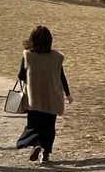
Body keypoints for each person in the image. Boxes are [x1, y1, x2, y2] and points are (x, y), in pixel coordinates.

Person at [14, 24, 71, 164]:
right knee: (49, 127)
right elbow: (61, 76)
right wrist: (68, 94)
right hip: (53, 98)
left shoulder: (28, 55)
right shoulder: (57, 57)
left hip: (34, 98)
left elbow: (21, 76)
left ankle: (37, 144)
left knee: (33, 126)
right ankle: (46, 154)